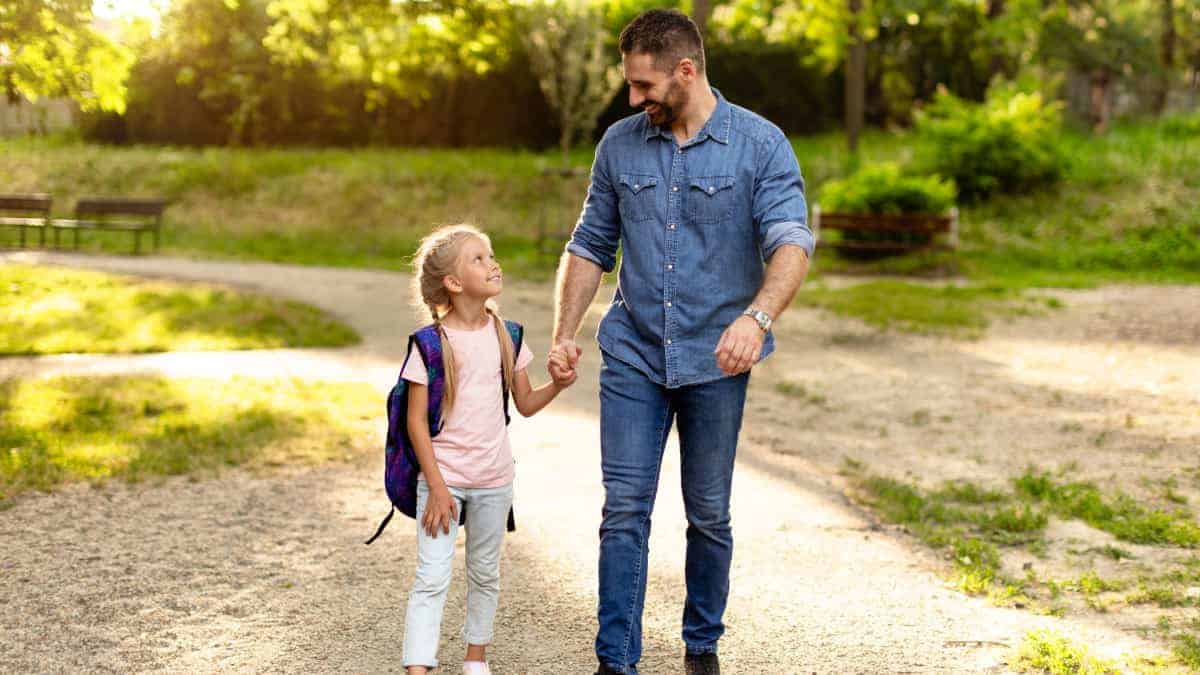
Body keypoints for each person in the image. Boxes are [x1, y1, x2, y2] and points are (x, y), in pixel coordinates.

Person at [546, 9, 814, 675]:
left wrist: (756, 318)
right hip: (633, 353)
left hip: (715, 361)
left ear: (685, 72)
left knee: (709, 514)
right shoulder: (620, 145)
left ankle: (701, 647)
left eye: (644, 86)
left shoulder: (760, 144)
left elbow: (791, 241)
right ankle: (616, 661)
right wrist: (562, 334)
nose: (633, 99)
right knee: (624, 510)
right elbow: (589, 244)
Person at [401, 224, 575, 675]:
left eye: (491, 255)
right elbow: (415, 421)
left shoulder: (509, 335)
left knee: (484, 573)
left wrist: (556, 383)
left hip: (495, 481)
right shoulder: (430, 344)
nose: (493, 263)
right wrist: (437, 488)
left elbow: (526, 404)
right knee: (432, 577)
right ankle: (418, 666)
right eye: (478, 259)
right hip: (444, 480)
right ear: (454, 284)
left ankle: (475, 658)